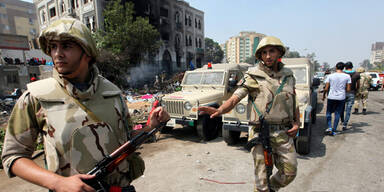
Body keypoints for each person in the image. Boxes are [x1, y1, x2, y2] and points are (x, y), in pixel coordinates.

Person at [1, 18, 170, 192]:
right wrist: (57, 182)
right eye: (53, 47)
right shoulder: (36, 98)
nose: (57, 53)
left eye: (66, 46)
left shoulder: (112, 93)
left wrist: (151, 127)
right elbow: (13, 156)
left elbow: (125, 139)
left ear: (87, 51)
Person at [199, 36, 300, 192]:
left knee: (290, 172)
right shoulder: (253, 75)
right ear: (259, 56)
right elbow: (235, 98)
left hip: (283, 131)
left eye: (271, 51)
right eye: (264, 52)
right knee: (261, 178)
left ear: (279, 52)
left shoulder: (288, 75)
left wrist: (296, 122)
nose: (268, 56)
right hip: (260, 130)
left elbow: (293, 101)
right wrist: (220, 110)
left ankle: (270, 188)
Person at [322, 62, 351, 135]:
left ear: (336, 67)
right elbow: (348, 89)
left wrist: (323, 96)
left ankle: (329, 127)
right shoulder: (347, 76)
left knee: (328, 112)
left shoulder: (330, 76)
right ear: (343, 68)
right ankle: (334, 129)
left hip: (331, 96)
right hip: (341, 97)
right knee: (337, 113)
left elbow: (326, 88)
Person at [340, 61, 360, 130]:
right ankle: (345, 125)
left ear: (345, 67)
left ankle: (342, 120)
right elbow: (358, 85)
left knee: (341, 108)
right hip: (352, 93)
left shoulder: (343, 73)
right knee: (348, 110)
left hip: (343, 93)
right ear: (352, 66)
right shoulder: (357, 74)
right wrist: (356, 91)